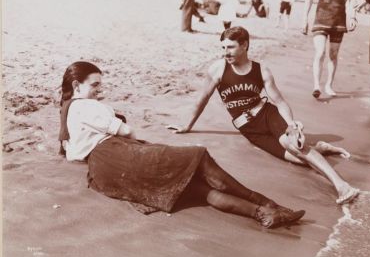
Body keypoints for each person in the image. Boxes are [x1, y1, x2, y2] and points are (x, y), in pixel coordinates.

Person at [58, 61, 305, 230]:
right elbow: (127, 131)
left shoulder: (67, 110)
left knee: (198, 190)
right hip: (116, 154)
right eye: (95, 85)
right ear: (77, 86)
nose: (99, 90)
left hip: (103, 173)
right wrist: (143, 146)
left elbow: (72, 153)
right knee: (198, 157)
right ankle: (266, 203)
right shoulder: (86, 106)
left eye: (99, 84)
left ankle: (262, 214)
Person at [168, 26, 359, 205]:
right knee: (297, 158)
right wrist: (187, 125)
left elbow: (280, 101)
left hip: (267, 114)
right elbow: (202, 99)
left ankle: (342, 186)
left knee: (290, 144)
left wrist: (291, 124)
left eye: (231, 47)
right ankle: (320, 148)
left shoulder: (261, 71)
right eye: (223, 47)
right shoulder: (217, 69)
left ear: (244, 45)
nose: (226, 52)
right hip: (249, 130)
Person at [302, 0, 357, 98]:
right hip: (321, 17)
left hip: (339, 19)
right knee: (320, 52)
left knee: (333, 54)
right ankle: (316, 85)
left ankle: (329, 85)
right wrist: (304, 19)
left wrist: (353, 16)